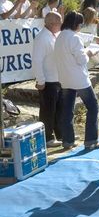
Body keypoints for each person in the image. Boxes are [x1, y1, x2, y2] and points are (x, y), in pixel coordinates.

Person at [54, 11, 99, 150]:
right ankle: (91, 140)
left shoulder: (60, 36)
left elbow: (78, 36)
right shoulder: (74, 38)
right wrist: (89, 51)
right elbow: (82, 60)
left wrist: (93, 39)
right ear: (77, 24)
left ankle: (67, 141)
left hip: (65, 78)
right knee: (93, 106)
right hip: (79, 78)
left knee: (67, 110)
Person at [32, 12, 63, 147]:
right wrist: (41, 81)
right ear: (51, 23)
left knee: (58, 109)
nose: (61, 25)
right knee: (47, 111)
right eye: (59, 23)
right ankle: (47, 138)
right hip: (48, 81)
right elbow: (37, 61)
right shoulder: (42, 38)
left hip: (57, 78)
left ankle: (61, 134)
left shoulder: (53, 35)